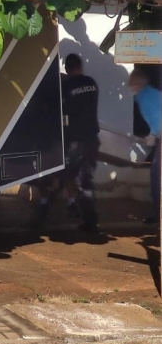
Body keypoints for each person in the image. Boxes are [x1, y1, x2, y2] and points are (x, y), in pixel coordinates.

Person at [61, 53, 101, 233]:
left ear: (67, 68)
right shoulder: (92, 83)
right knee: (84, 178)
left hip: (75, 140)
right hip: (92, 138)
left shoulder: (66, 85)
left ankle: (89, 221)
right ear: (81, 65)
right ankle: (78, 208)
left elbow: (63, 106)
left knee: (78, 179)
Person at [128, 66, 161, 224]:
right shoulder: (148, 94)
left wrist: (153, 135)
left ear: (138, 83)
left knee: (156, 179)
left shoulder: (146, 97)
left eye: (133, 84)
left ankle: (158, 216)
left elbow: (158, 119)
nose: (131, 87)